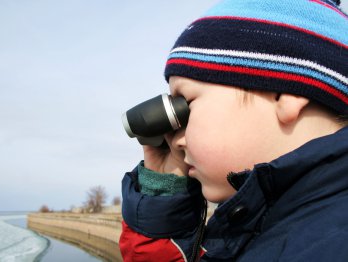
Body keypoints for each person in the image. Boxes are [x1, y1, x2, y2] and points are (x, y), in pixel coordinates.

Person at [119, 0, 348, 261]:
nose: (176, 139)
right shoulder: (271, 228)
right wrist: (163, 192)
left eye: (187, 104)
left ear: (284, 94)